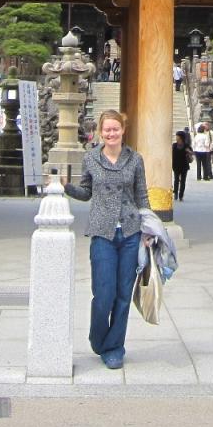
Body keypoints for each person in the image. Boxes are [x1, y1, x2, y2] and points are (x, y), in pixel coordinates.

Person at [64, 108, 150, 370]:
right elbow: (86, 191)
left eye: (115, 129)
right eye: (107, 130)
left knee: (123, 294)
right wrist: (65, 187)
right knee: (104, 293)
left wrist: (148, 230)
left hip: (130, 232)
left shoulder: (135, 159)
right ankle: (99, 337)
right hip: (102, 232)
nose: (111, 134)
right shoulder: (91, 158)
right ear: (100, 132)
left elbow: (142, 195)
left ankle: (114, 348)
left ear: (123, 130)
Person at [171, 130, 192, 201]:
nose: (176, 137)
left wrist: (189, 152)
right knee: (176, 180)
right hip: (176, 165)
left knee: (183, 181)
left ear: (181, 137)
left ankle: (181, 195)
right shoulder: (174, 145)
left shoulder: (186, 145)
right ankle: (176, 193)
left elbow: (192, 153)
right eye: (176, 136)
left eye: (177, 136)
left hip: (184, 165)